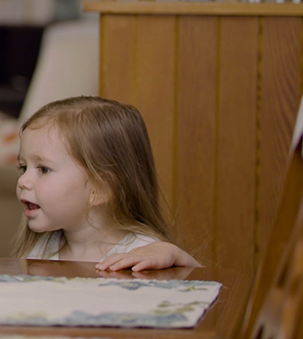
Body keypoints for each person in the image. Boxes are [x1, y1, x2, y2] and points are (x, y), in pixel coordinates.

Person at [13, 96, 199, 270]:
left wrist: (177, 256)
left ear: (100, 188)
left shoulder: (144, 255)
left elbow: (201, 292)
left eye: (43, 169)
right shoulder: (43, 249)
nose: (23, 181)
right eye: (23, 167)